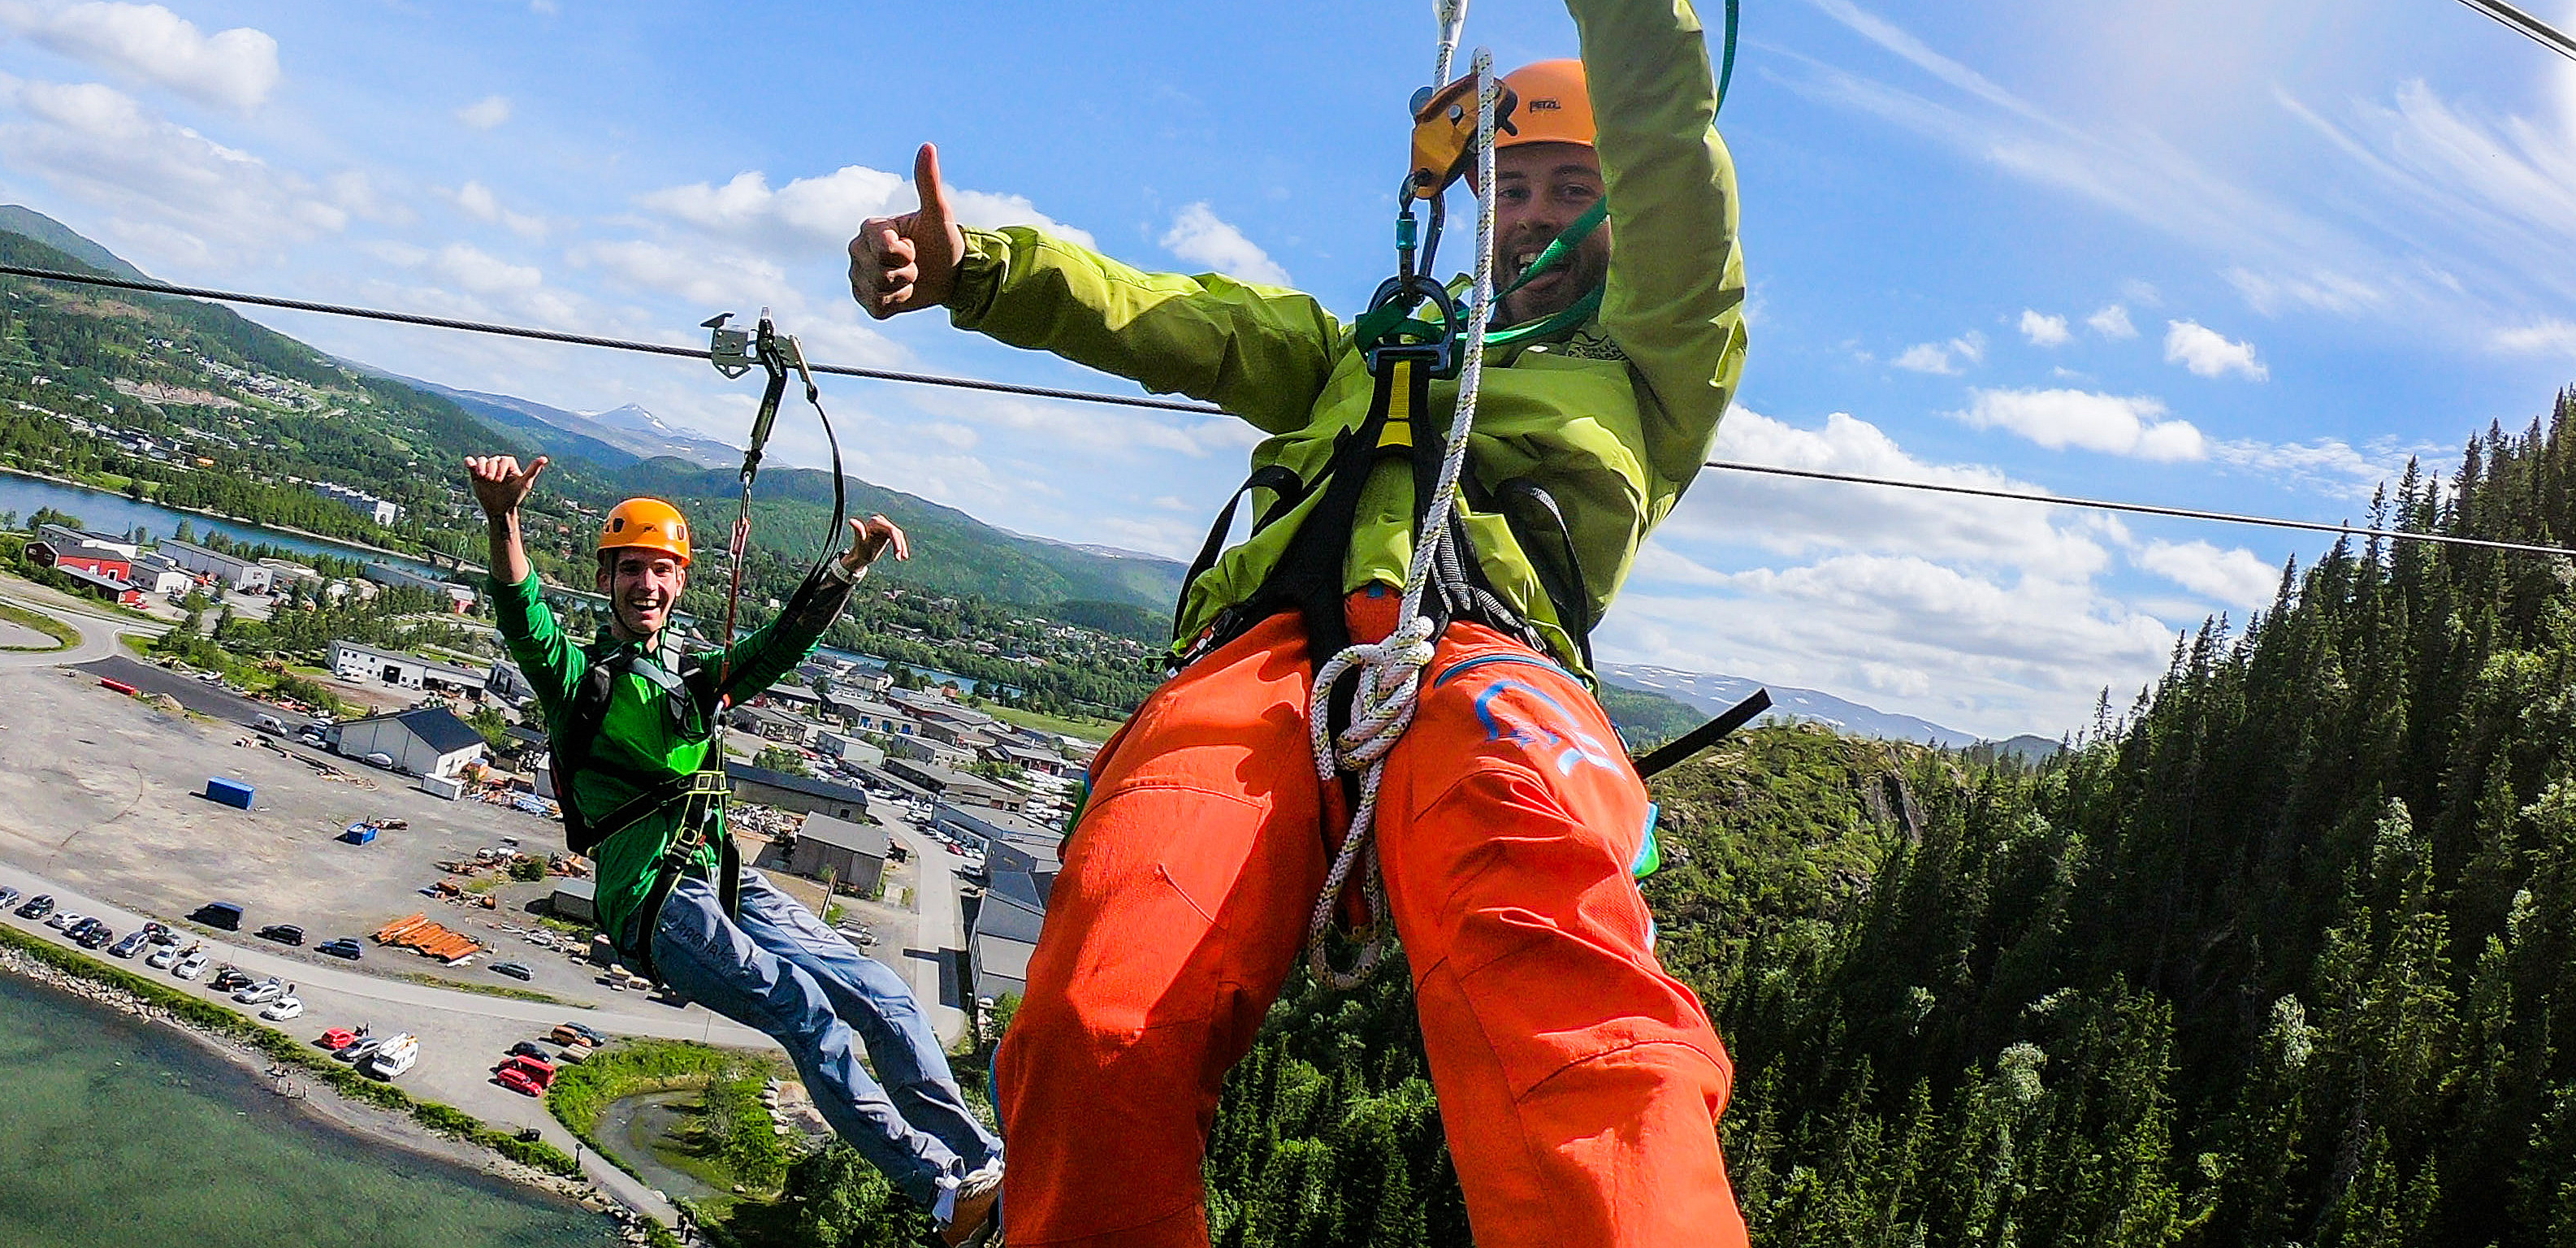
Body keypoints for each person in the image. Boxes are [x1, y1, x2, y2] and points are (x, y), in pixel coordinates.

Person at [842, 1, 1746, 1244]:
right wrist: (984, 271)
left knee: (1584, 1041)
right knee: (1091, 1024)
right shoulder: (1358, 353)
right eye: (1512, 186)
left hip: (1485, 661)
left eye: (1570, 189)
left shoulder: (1657, 359)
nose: (1533, 214)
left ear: (1618, 213)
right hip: (1260, 668)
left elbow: (1668, 137)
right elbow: (1181, 319)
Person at [465, 453, 1007, 1241]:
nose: (646, 585)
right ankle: (940, 1192)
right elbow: (524, 614)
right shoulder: (579, 679)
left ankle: (984, 1167)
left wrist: (848, 567)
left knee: (883, 996)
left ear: (679, 584)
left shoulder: (692, 682)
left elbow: (776, 647)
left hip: (722, 883)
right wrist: (503, 518)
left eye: (661, 571)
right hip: (655, 902)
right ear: (608, 581)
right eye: (631, 571)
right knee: (806, 1013)